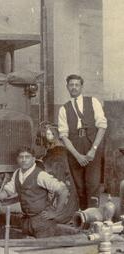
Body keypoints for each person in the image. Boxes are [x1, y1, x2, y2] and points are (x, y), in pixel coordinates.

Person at [0, 146, 69, 238]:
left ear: (33, 159)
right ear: (17, 159)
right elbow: (8, 190)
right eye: (21, 157)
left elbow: (63, 190)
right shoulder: (17, 173)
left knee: (42, 251)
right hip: (27, 221)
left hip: (43, 221)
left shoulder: (41, 175)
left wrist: (55, 213)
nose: (24, 160)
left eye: (27, 157)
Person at [58, 74, 107, 210]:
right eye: (71, 85)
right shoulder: (64, 109)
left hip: (92, 144)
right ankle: (84, 218)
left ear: (81, 87)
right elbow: (63, 136)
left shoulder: (93, 102)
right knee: (79, 186)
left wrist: (93, 149)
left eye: (77, 85)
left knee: (92, 184)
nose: (74, 87)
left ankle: (94, 218)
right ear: (67, 87)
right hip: (74, 147)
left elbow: (102, 126)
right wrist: (77, 155)